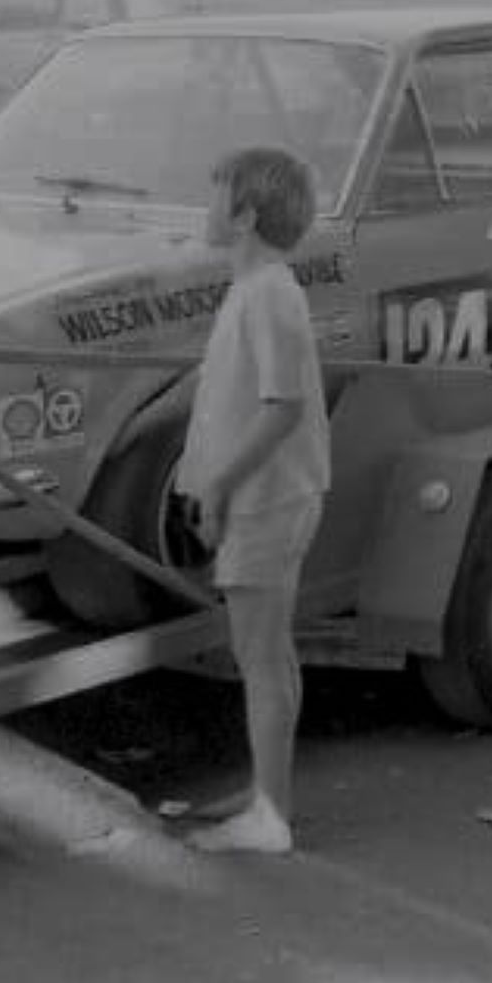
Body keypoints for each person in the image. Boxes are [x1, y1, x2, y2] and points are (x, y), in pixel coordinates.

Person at [174, 146, 331, 855]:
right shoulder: (259, 287)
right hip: (273, 496)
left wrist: (218, 483)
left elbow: (282, 407)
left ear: (243, 216)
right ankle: (270, 793)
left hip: (267, 499)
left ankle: (270, 819)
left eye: (215, 196)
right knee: (272, 653)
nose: (205, 208)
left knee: (259, 655)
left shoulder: (269, 293)